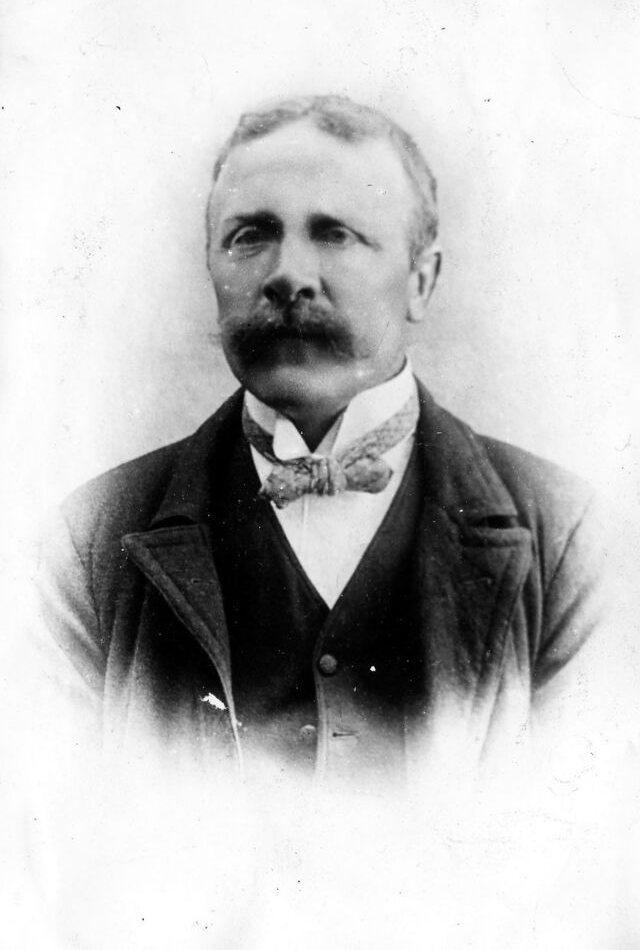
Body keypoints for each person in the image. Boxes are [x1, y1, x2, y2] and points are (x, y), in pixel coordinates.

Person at [37, 95, 612, 793]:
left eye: (335, 234)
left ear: (422, 281)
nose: (288, 274)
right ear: (211, 268)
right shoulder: (86, 542)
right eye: (250, 235)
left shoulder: (571, 540)